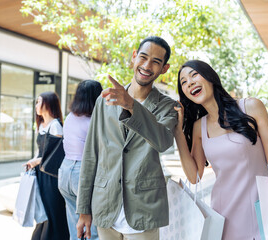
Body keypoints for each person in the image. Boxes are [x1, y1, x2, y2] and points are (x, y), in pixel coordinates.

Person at [174, 60, 268, 240]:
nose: (190, 83)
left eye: (194, 75)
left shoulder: (250, 106)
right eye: (184, 82)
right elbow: (194, 177)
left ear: (210, 77)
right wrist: (178, 132)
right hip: (222, 215)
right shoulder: (198, 127)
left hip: (261, 209)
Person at [76, 36, 178, 240]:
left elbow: (163, 142)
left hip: (144, 211)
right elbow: (91, 155)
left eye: (156, 62)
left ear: (164, 69)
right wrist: (83, 209)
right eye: (143, 57)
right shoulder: (104, 101)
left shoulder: (168, 106)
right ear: (133, 57)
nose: (147, 66)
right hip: (105, 207)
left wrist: (131, 105)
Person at [58, 80, 102, 240]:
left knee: (75, 228)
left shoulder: (70, 117)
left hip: (65, 172)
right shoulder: (94, 122)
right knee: (93, 231)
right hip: (83, 175)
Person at [25, 91, 69, 240]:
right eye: (36, 102)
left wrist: (36, 161)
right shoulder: (41, 125)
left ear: (48, 104)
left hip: (51, 177)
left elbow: (57, 155)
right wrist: (32, 161)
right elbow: (40, 152)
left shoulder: (56, 126)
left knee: (52, 211)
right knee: (42, 211)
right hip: (40, 174)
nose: (36, 105)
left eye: (39, 102)